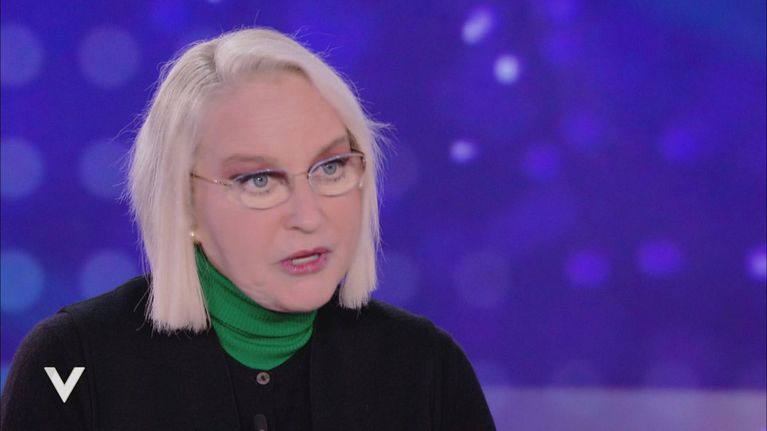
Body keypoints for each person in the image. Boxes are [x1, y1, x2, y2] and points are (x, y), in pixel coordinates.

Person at [0, 27, 496, 430]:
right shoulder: (70, 364)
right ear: (184, 204)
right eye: (259, 180)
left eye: (330, 167)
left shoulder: (427, 369)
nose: (309, 216)